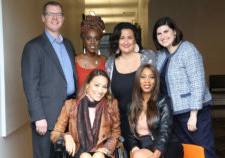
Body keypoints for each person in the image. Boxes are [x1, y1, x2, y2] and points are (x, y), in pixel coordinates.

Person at [152, 16, 217, 158]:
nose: (163, 36)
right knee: (187, 150)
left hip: (193, 111)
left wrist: (193, 115)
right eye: (159, 33)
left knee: (204, 150)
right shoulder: (161, 54)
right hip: (174, 113)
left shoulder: (188, 50)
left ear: (174, 32)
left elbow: (197, 82)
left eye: (166, 31)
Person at [21, 1, 78, 158]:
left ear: (63, 18)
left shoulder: (68, 44)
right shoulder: (33, 47)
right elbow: (31, 85)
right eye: (50, 14)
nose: (55, 18)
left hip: (70, 112)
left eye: (58, 14)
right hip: (46, 117)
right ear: (43, 18)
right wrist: (38, 116)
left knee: (69, 154)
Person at [105, 22, 156, 153]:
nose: (126, 41)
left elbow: (157, 87)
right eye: (121, 38)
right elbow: (109, 95)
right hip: (124, 123)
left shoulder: (148, 57)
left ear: (135, 39)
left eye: (129, 37)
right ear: (117, 40)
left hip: (147, 119)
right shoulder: (110, 63)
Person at [51, 69, 121, 158]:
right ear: (87, 85)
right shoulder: (70, 105)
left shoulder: (111, 104)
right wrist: (66, 136)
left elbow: (116, 132)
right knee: (85, 156)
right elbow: (55, 134)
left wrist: (108, 148)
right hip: (79, 152)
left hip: (102, 152)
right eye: (96, 85)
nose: (100, 90)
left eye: (104, 87)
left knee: (98, 156)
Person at [127, 64, 184, 158]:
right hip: (145, 144)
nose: (147, 81)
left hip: (166, 145)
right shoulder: (131, 105)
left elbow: (165, 130)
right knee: (138, 155)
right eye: (143, 77)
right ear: (138, 80)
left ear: (155, 81)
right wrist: (135, 149)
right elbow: (131, 135)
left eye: (151, 77)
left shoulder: (164, 101)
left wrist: (157, 153)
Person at [76, 15, 107, 89]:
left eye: (96, 39)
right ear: (84, 39)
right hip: (81, 100)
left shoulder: (104, 60)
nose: (92, 42)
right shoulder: (75, 61)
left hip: (102, 100)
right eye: (88, 38)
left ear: (100, 41)